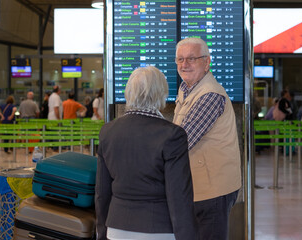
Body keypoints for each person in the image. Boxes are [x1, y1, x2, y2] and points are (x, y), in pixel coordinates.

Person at [96, 66, 199, 240]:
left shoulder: (108, 131)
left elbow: (102, 191)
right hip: (158, 228)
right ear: (161, 94)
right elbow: (179, 196)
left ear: (129, 93)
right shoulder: (172, 135)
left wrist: (102, 230)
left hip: (117, 228)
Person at [173, 37, 241, 240]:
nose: (184, 65)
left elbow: (181, 142)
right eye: (180, 59)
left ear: (207, 62)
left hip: (212, 191)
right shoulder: (186, 89)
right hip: (196, 186)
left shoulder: (210, 95)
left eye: (192, 59)